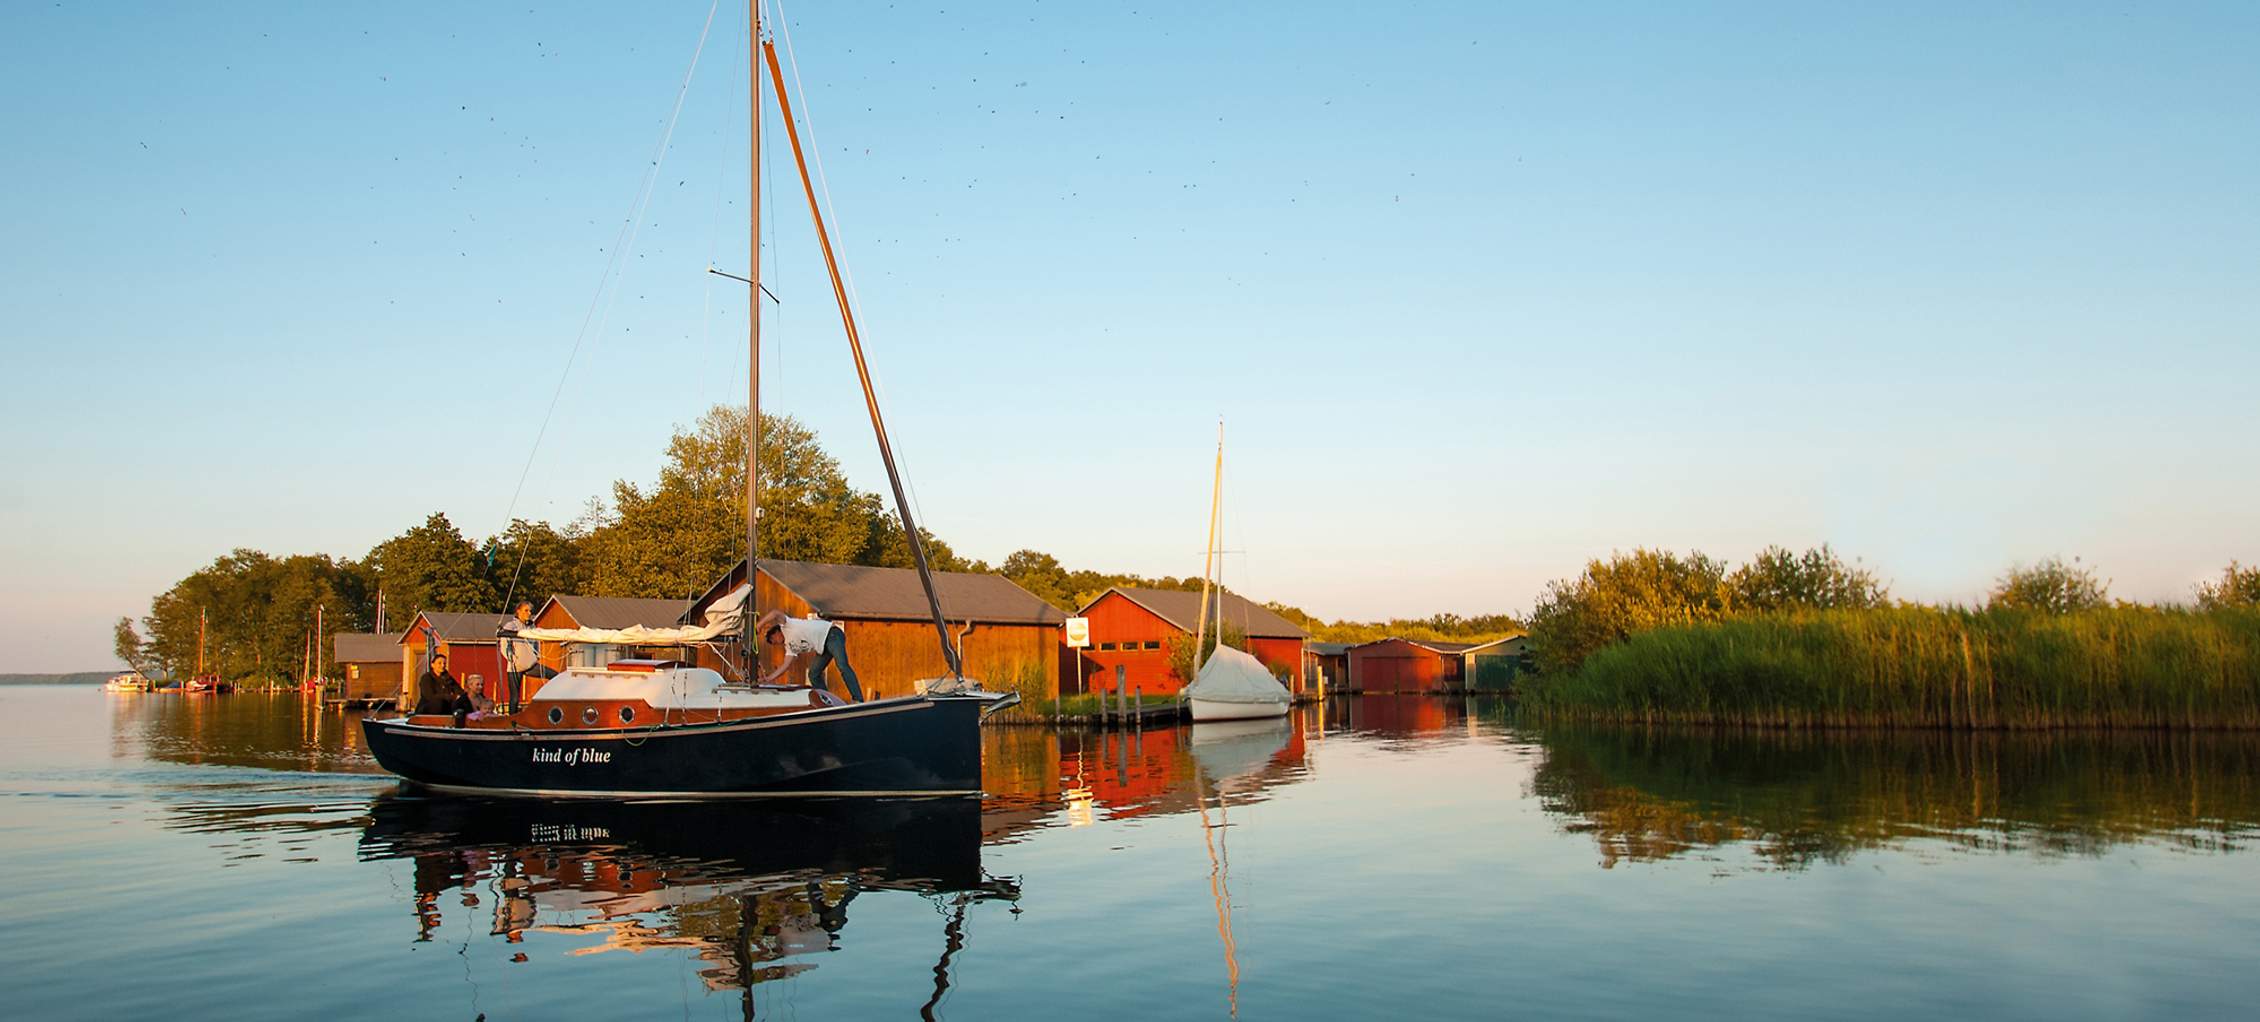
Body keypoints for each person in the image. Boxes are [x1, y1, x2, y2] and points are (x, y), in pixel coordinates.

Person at [756, 609, 862, 702]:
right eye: (774, 643)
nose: (776, 643)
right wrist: (769, 678)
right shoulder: (789, 647)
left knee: (842, 665)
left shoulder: (787, 625)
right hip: (823, 648)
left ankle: (858, 698)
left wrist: (759, 625)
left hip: (832, 635)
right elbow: (785, 666)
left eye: (773, 639)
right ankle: (827, 701)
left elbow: (775, 613)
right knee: (813, 674)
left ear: (776, 632)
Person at [498, 601, 535, 713]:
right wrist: (512, 659)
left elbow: (536, 642)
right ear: (518, 611)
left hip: (530, 664)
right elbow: (504, 644)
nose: (529, 613)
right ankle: (512, 721)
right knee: (514, 697)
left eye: (530, 611)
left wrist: (536, 656)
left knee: (553, 675)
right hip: (516, 666)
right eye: (526, 610)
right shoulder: (511, 626)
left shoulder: (531, 627)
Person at [414, 654, 475, 722]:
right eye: (439, 663)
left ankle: (472, 719)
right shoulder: (426, 678)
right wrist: (452, 697)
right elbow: (429, 696)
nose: (442, 665)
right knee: (439, 703)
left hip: (446, 708)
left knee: (464, 701)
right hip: (429, 708)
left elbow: (459, 691)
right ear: (432, 665)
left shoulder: (448, 678)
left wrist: (467, 696)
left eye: (444, 663)